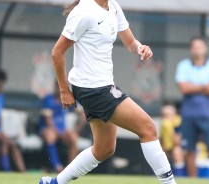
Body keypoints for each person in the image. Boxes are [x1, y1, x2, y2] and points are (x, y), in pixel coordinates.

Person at [39, 0, 176, 184]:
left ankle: (55, 183)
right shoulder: (84, 12)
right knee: (148, 128)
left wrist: (139, 47)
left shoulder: (113, 7)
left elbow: (129, 42)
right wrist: (64, 90)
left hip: (100, 87)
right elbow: (57, 52)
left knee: (104, 149)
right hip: (93, 89)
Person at [175, 36, 209, 179]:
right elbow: (183, 88)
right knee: (189, 151)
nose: (197, 49)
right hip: (188, 114)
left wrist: (193, 86)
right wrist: (205, 86)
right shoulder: (183, 65)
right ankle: (193, 181)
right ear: (191, 49)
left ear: (205, 49)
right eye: (195, 46)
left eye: (200, 46)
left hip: (208, 114)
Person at [39, 81, 85, 173]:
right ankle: (57, 166)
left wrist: (76, 130)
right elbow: (48, 120)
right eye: (58, 87)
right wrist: (59, 132)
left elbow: (82, 116)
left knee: (74, 138)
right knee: (50, 136)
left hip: (63, 130)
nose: (60, 90)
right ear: (55, 87)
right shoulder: (49, 99)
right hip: (49, 129)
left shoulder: (68, 98)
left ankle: (71, 169)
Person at [160, 103, 185, 177]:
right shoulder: (164, 125)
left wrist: (171, 129)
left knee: (176, 151)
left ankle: (179, 176)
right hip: (168, 147)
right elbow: (161, 138)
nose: (166, 117)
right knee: (159, 152)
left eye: (168, 115)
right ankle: (160, 176)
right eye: (164, 115)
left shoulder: (178, 123)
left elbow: (177, 141)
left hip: (183, 148)